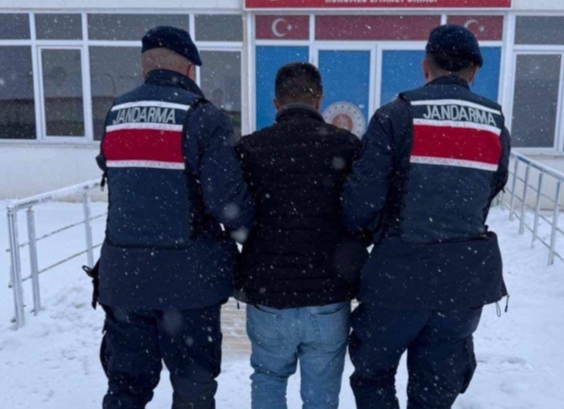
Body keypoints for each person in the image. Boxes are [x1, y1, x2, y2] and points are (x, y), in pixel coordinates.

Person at [342, 25, 511, 409]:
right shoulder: (494, 123)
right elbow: (492, 186)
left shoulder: (396, 115)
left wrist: (365, 234)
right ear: (473, 71)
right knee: (436, 388)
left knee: (373, 374)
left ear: (425, 66)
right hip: (462, 282)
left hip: (397, 276)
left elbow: (363, 199)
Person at [95, 26, 254, 409]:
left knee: (126, 387)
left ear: (145, 67)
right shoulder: (203, 116)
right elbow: (226, 201)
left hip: (124, 280)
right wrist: (250, 235)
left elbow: (110, 168)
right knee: (193, 388)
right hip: (188, 285)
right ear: (189, 70)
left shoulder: (117, 114)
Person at [235, 62, 368, 409]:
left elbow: (236, 215)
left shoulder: (250, 148)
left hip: (269, 294)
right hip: (328, 295)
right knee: (321, 393)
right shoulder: (346, 146)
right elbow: (361, 212)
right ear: (319, 100)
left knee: (268, 376)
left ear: (276, 103)